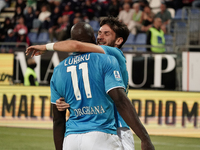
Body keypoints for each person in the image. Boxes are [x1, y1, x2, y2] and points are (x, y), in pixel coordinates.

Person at [26, 17, 155, 150]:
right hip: (103, 129)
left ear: (118, 41)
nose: (100, 37)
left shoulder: (114, 54)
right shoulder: (98, 60)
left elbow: (76, 45)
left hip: (114, 126)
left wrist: (46, 47)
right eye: (99, 33)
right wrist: (67, 101)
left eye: (106, 33)